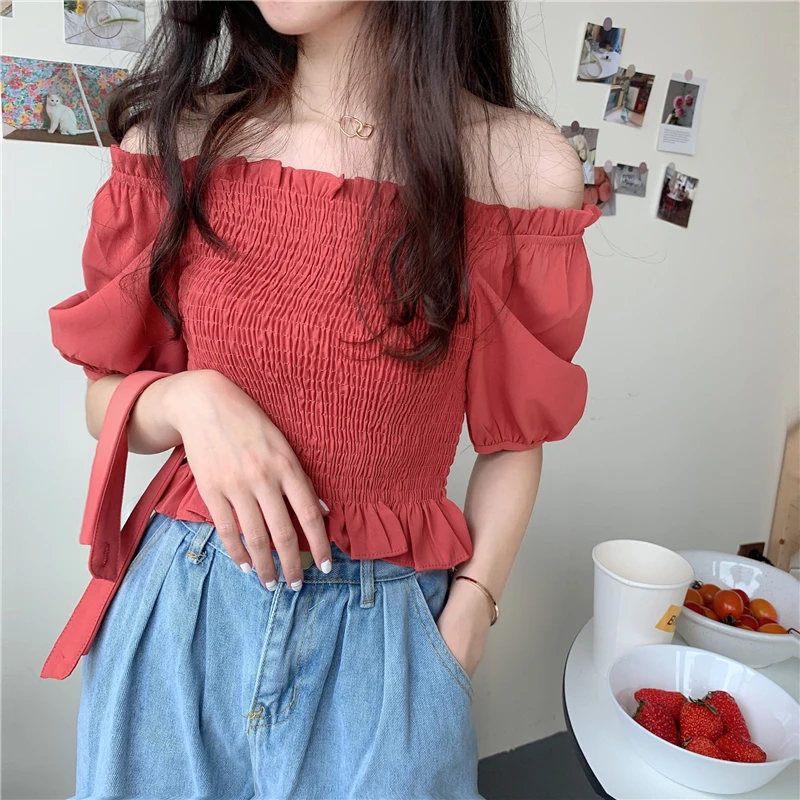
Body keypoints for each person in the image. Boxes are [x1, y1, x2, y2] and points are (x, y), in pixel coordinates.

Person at [44, 2, 600, 798]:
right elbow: (104, 401)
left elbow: (515, 438)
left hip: (386, 641)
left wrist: (471, 612)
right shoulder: (182, 137)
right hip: (182, 615)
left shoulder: (518, 167)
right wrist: (190, 401)